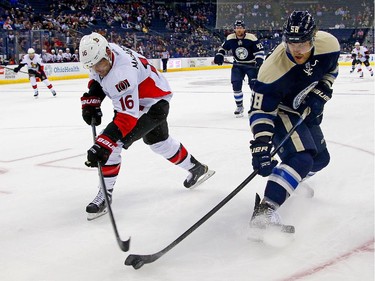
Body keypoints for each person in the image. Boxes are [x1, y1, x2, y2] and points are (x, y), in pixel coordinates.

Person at [79, 32, 215, 220]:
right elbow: (98, 78)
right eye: (91, 66)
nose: (96, 69)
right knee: (159, 142)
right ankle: (197, 168)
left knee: (112, 144)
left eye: (99, 64)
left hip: (153, 105)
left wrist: (103, 145)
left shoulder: (122, 74)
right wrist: (93, 98)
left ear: (108, 53)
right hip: (153, 96)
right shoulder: (102, 51)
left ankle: (105, 195)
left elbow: (127, 118)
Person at [247, 11, 340, 238]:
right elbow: (260, 110)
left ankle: (290, 180)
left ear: (314, 37)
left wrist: (323, 89)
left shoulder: (329, 44)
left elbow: (331, 68)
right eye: (291, 43)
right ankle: (265, 211)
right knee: (301, 157)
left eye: (303, 43)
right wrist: (261, 142)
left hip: (303, 107)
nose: (297, 50)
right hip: (280, 110)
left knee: (320, 160)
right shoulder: (271, 71)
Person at [214, 20, 264, 117]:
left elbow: (259, 50)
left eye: (241, 28)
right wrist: (219, 55)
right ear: (234, 29)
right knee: (236, 85)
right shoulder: (230, 38)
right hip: (238, 65)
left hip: (251, 65)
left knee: (254, 86)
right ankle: (239, 106)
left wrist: (259, 61)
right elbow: (223, 48)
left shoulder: (251, 38)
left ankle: (255, 107)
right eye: (237, 28)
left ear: (244, 29)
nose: (239, 30)